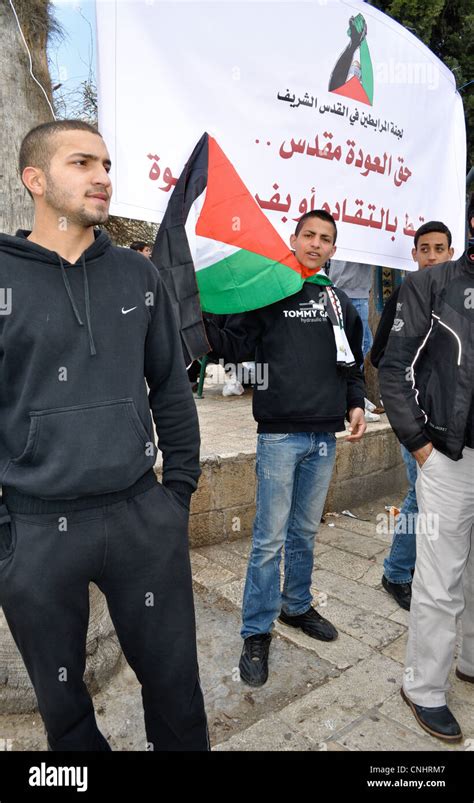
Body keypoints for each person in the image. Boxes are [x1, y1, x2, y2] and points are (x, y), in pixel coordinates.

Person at [0, 120, 208, 751]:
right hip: (34, 531)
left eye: (107, 165)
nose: (103, 178)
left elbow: (172, 389)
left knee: (176, 689)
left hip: (140, 516)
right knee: (63, 710)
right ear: (35, 179)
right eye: (82, 163)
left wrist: (176, 496)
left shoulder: (138, 277)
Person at [205, 210, 366, 687]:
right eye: (309, 235)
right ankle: (256, 630)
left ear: (334, 250)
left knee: (304, 533)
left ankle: (296, 606)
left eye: (326, 239)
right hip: (278, 434)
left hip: (325, 436)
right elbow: (232, 348)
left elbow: (351, 364)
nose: (316, 244)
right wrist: (202, 311)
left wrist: (355, 403)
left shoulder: (338, 302)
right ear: (292, 239)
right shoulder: (267, 291)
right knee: (269, 539)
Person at [378, 206, 474, 743]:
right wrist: (420, 446)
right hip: (449, 458)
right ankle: (424, 689)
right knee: (438, 580)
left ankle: (470, 663)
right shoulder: (431, 285)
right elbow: (392, 367)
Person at [371, 221, 453, 611]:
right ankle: (397, 573)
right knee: (419, 497)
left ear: (451, 252)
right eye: (425, 249)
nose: (432, 255)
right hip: (417, 418)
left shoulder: (459, 294)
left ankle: (416, 568)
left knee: (434, 500)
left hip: (452, 422)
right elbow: (379, 355)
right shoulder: (406, 293)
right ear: (414, 254)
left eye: (440, 248)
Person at [328, 259, 378, 421]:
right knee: (355, 349)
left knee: (364, 344)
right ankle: (350, 402)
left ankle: (354, 398)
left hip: (355, 290)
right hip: (351, 291)